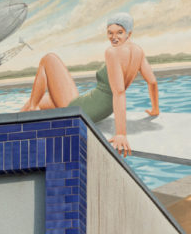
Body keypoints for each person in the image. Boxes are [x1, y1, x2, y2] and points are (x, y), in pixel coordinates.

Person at [20, 12, 159, 155]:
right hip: (95, 106)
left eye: (119, 32)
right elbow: (152, 82)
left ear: (128, 33)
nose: (114, 37)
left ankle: (31, 110)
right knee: (41, 100)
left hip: (85, 109)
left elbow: (119, 92)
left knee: (49, 59)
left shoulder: (112, 52)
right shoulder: (138, 52)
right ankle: (24, 125)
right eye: (110, 33)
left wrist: (121, 134)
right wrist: (155, 109)